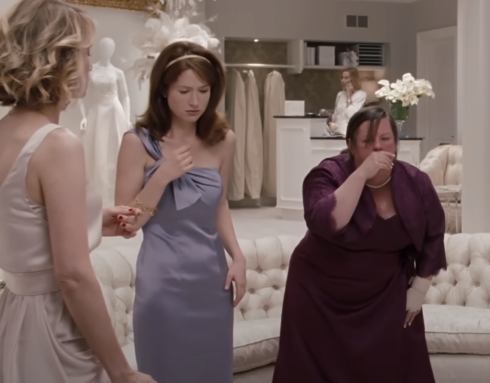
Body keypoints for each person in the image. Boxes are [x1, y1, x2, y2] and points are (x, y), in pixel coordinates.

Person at [0, 1, 156, 383]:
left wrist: (92, 220)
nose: (90, 64)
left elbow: (21, 218)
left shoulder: (5, 132)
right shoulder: (57, 144)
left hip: (13, 312)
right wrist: (122, 372)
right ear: (58, 59)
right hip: (54, 322)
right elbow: (72, 276)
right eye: (86, 53)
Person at [272, 106, 446, 383]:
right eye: (367, 142)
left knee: (399, 363)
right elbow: (327, 222)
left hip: (386, 289)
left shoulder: (416, 182)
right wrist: (361, 174)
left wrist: (420, 288)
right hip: (321, 291)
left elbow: (434, 234)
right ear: (350, 145)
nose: (378, 147)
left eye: (386, 139)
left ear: (397, 143)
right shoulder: (327, 175)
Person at [114, 41, 246, 383]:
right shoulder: (136, 142)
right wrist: (161, 176)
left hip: (211, 280)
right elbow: (127, 221)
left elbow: (220, 204)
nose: (195, 101)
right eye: (184, 90)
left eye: (204, 90)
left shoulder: (224, 140)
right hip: (163, 283)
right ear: (163, 89)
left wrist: (239, 257)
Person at [327, 67, 367, 135]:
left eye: (346, 78)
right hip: (336, 131)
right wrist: (329, 116)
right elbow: (336, 113)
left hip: (349, 131)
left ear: (353, 79)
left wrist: (349, 95)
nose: (343, 80)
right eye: (342, 77)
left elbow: (351, 115)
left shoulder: (361, 95)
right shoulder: (340, 94)